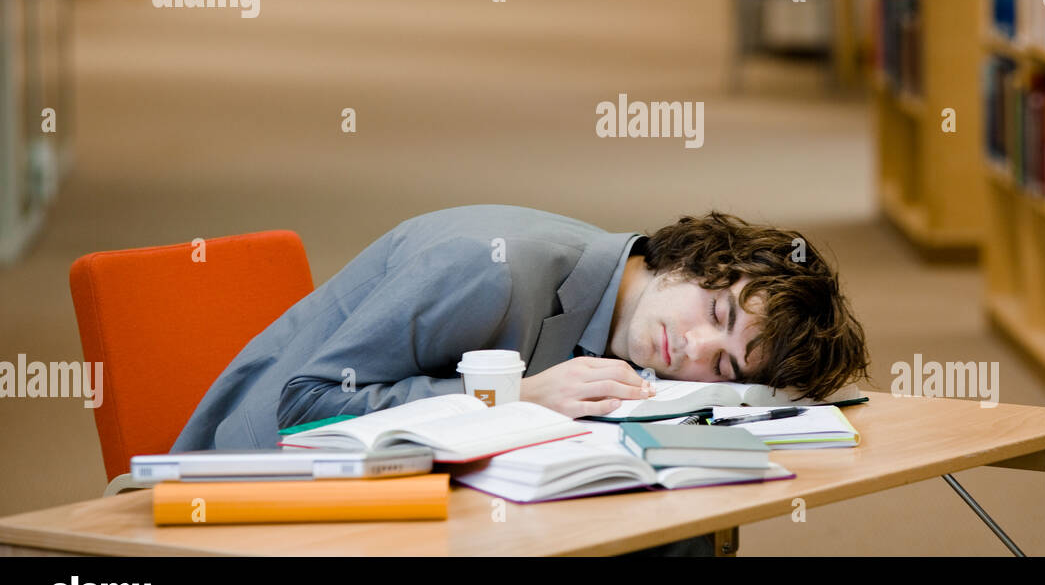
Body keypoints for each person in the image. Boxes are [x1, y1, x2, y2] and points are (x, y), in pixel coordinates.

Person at [173, 204, 869, 452]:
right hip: (252, 486)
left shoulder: (614, 308)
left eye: (723, 369)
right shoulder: (491, 270)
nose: (691, 349)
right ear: (688, 258)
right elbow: (307, 406)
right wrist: (517, 398)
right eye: (717, 314)